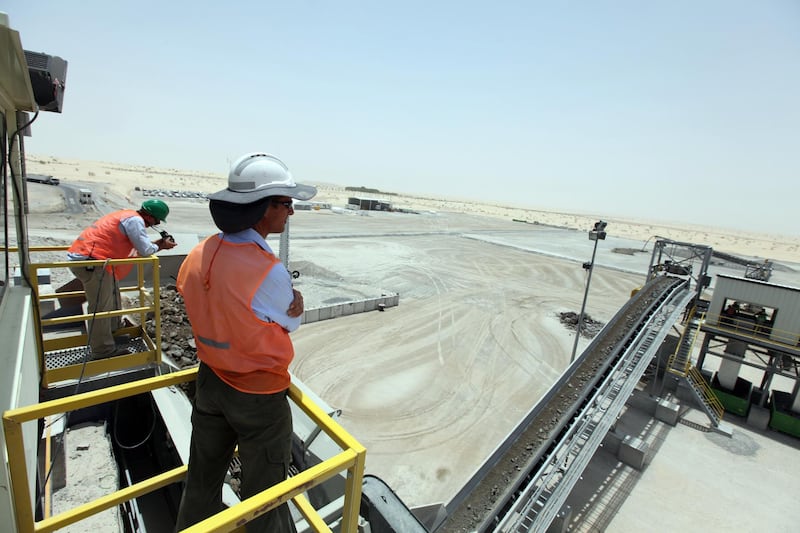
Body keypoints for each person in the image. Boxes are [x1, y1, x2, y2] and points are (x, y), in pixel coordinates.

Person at [174, 152, 316, 532]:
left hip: (210, 381)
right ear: (263, 207)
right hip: (257, 395)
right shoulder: (266, 271)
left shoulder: (200, 252)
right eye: (286, 204)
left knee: (202, 480)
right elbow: (291, 322)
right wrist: (293, 302)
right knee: (264, 496)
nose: (291, 213)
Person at [67, 199, 177, 359]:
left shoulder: (127, 216)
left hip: (97, 263)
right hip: (93, 264)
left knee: (112, 299)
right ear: (149, 216)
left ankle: (112, 333)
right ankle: (102, 350)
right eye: (157, 220)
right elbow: (145, 250)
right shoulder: (135, 220)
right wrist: (161, 246)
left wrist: (157, 244)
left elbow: (138, 245)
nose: (157, 223)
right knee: (100, 308)